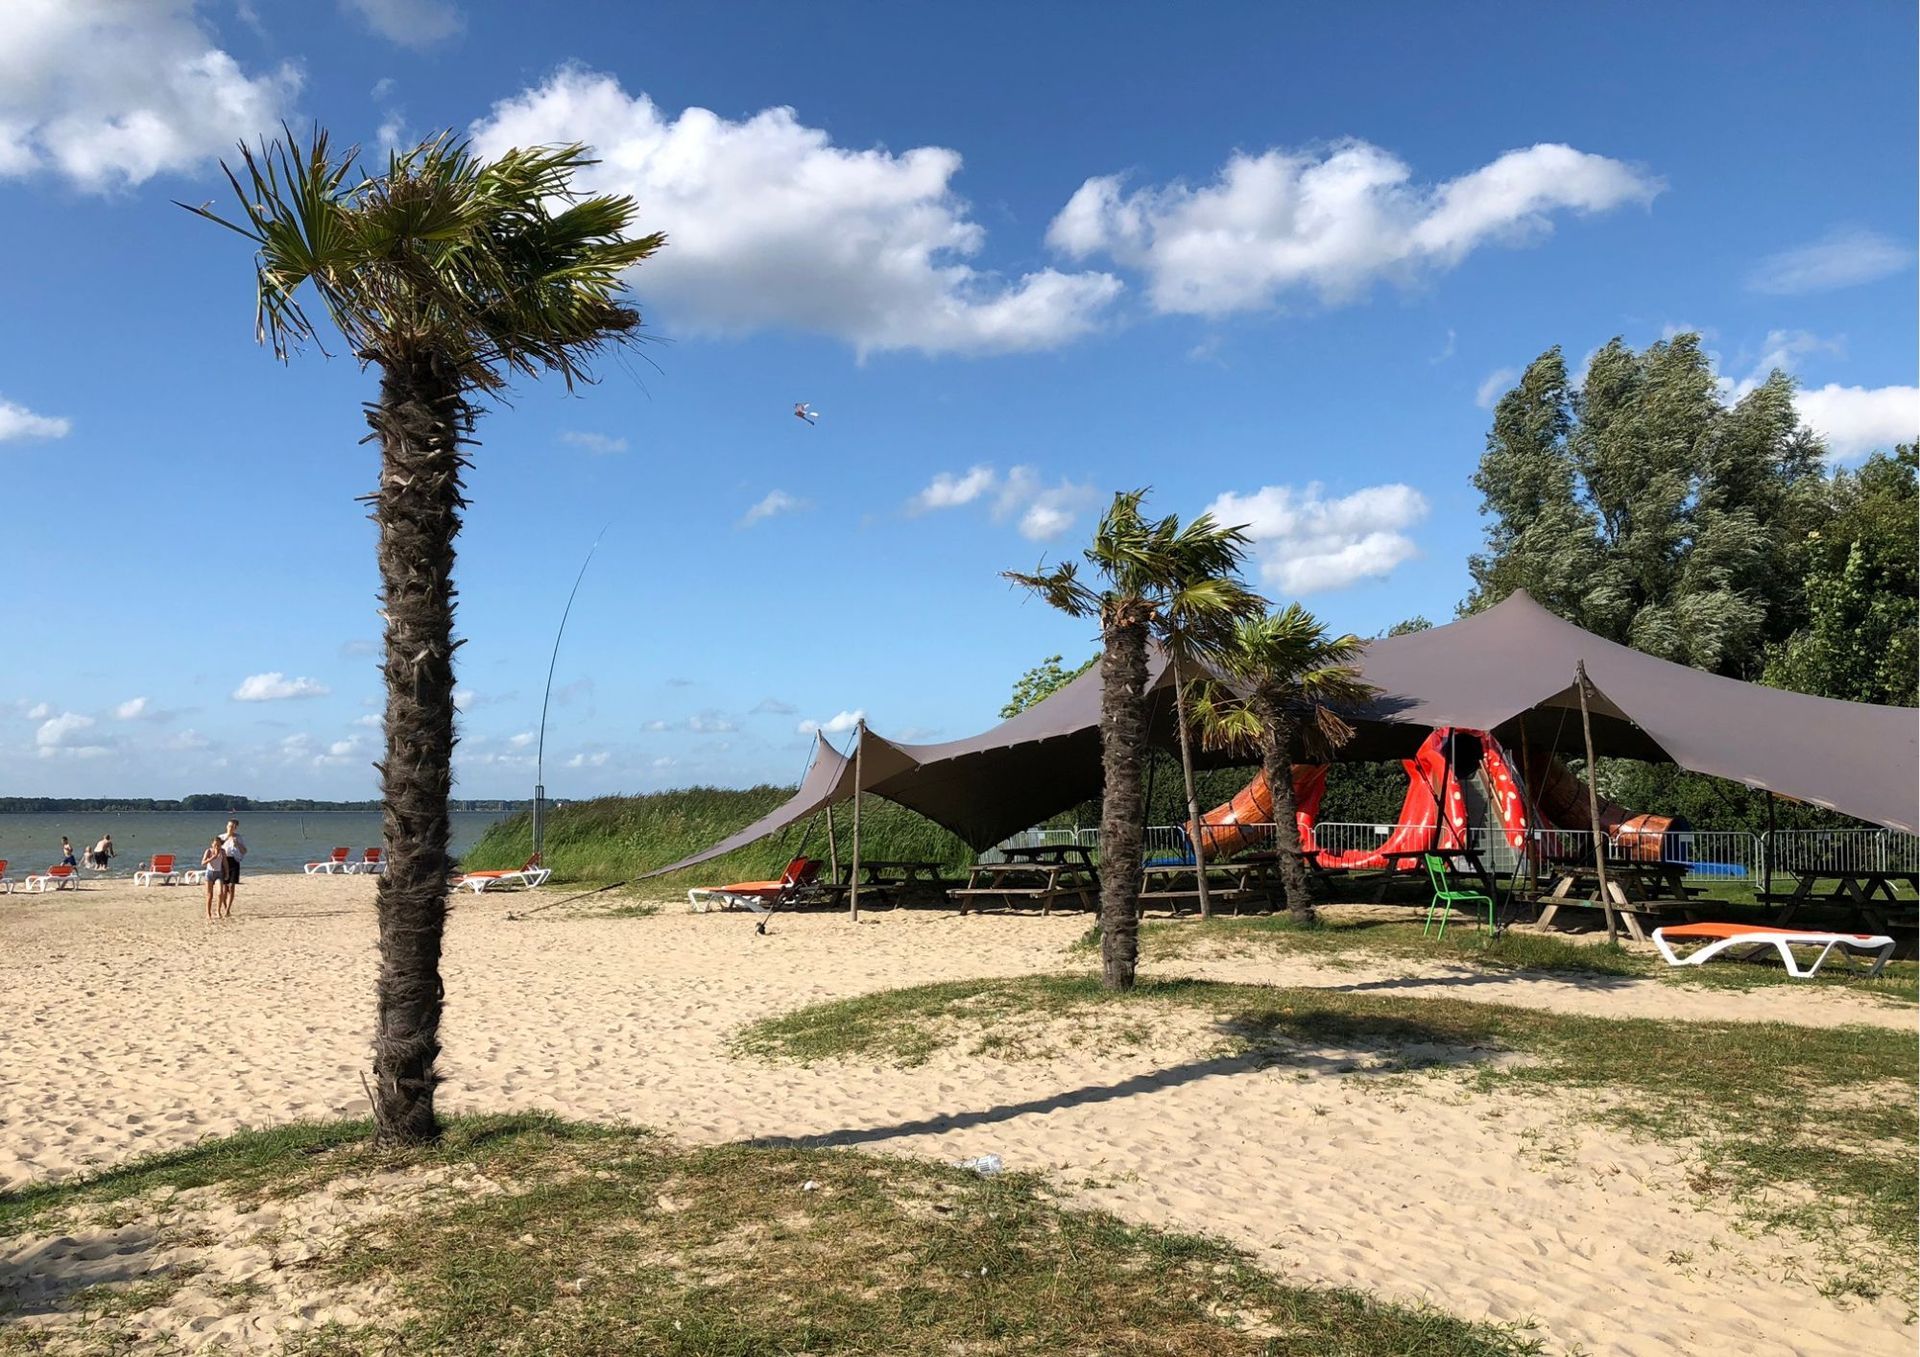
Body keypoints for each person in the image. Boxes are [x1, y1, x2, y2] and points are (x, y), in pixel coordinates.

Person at [218, 819, 247, 918]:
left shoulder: (238, 837)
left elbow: (244, 851)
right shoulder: (221, 836)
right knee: (224, 888)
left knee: (231, 886)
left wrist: (237, 844)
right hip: (223, 861)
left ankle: (228, 910)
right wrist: (227, 838)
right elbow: (216, 848)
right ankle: (225, 906)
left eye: (233, 827)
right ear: (227, 826)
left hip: (234, 861)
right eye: (230, 826)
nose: (231, 828)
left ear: (236, 828)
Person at [200, 836, 225, 920]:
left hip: (219, 873)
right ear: (212, 844)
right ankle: (208, 913)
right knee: (209, 895)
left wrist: (227, 872)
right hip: (209, 873)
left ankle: (218, 911)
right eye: (215, 845)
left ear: (221, 845)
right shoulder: (208, 851)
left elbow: (225, 862)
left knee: (220, 893)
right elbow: (203, 863)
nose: (217, 847)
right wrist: (212, 858)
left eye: (218, 845)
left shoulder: (222, 851)